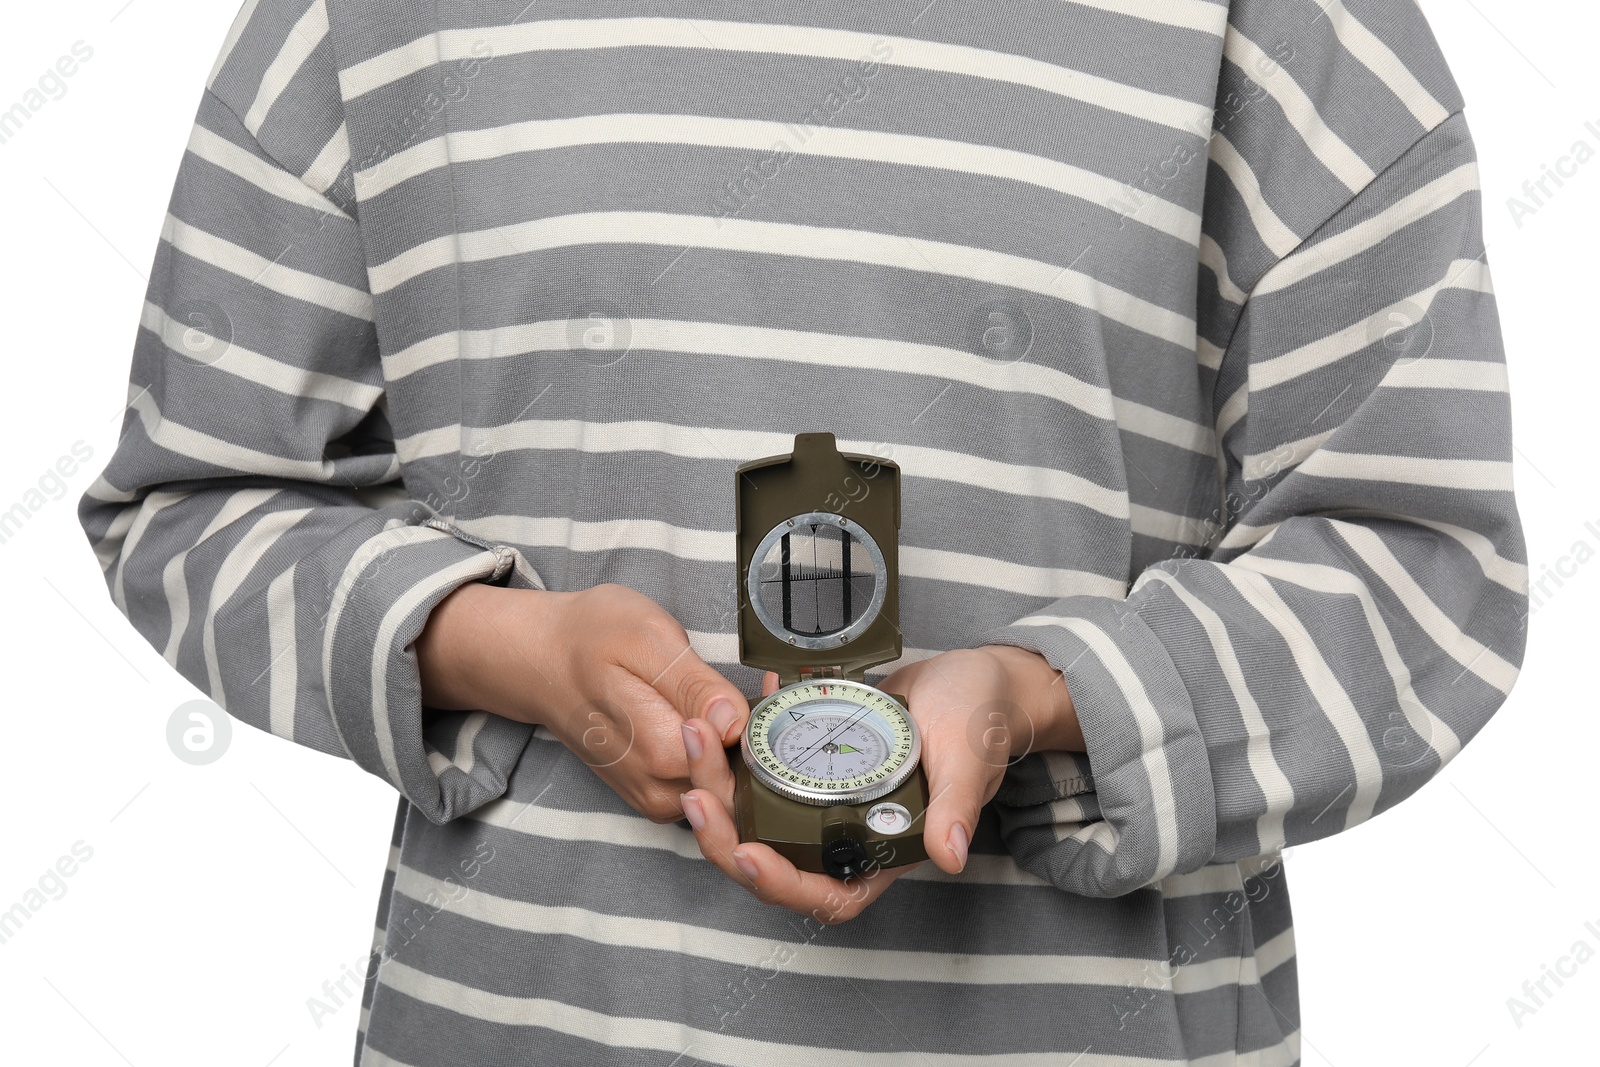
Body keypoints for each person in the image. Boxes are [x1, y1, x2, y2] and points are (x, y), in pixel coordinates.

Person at [80, 0, 1527, 1062]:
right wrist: (503, 646)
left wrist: (1045, 697)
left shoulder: (1281, 25)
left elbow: (1423, 576)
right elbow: (196, 496)